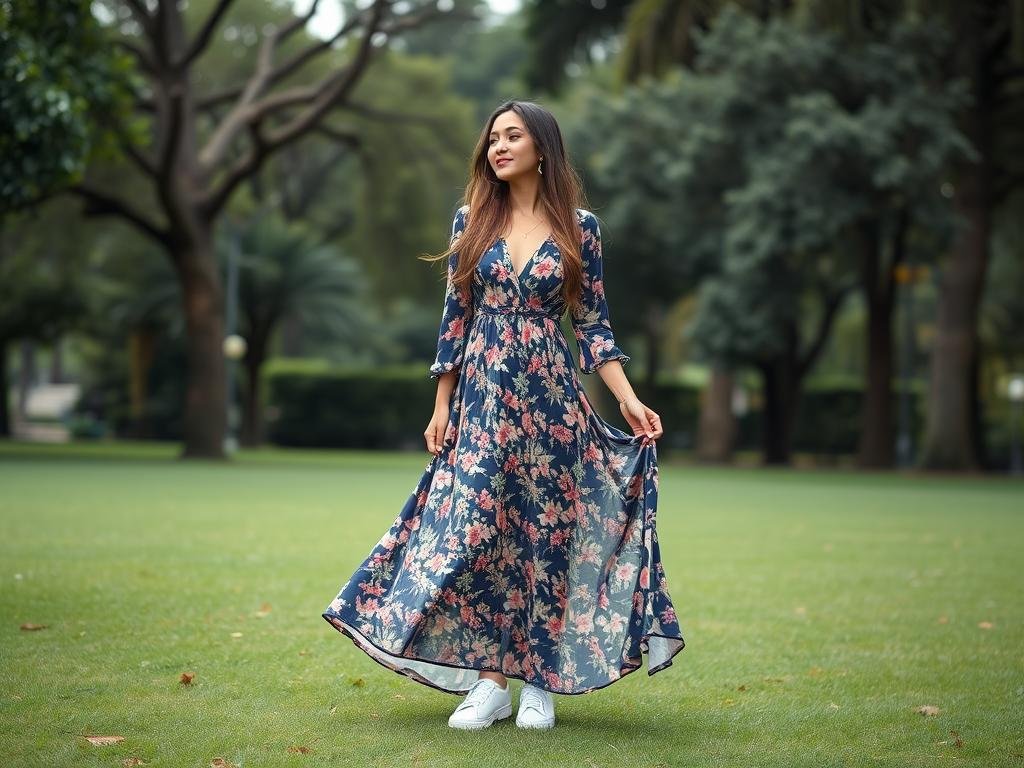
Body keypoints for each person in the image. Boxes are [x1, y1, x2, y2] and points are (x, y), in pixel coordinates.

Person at [323, 99, 686, 730]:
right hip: (482, 403)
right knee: (478, 534)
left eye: (513, 136)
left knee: (546, 537)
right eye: (493, 138)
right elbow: (455, 319)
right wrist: (441, 404)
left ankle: (540, 681)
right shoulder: (472, 220)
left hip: (551, 407)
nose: (499, 147)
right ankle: (490, 684)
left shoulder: (581, 228)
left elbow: (593, 325)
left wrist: (628, 398)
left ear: (542, 148)